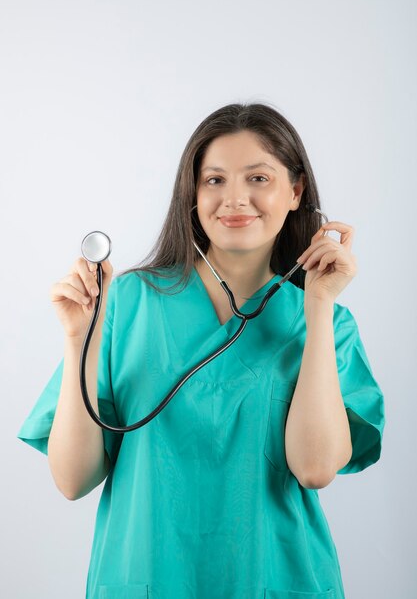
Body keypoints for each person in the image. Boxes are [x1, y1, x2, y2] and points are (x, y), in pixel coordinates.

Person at [17, 102, 385, 599]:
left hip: (276, 577)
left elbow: (315, 468)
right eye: (214, 180)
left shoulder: (328, 322)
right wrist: (78, 338)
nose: (234, 198)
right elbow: (72, 480)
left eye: (258, 178)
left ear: (295, 191)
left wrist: (317, 305)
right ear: (192, 193)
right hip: (148, 577)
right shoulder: (124, 303)